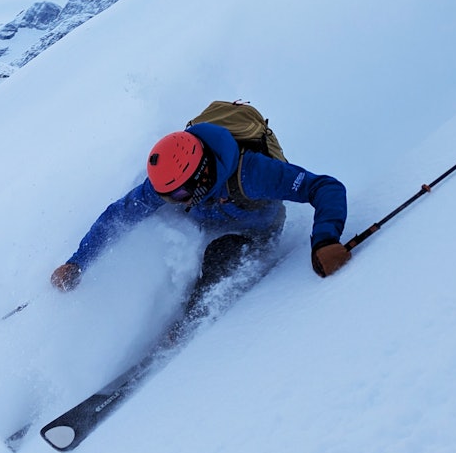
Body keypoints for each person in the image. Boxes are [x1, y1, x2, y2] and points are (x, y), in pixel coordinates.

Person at [50, 120, 351, 329]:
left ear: (202, 173)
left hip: (257, 230)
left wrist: (325, 239)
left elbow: (326, 187)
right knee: (157, 235)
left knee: (219, 254)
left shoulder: (255, 174)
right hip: (211, 221)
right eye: (166, 196)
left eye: (179, 193)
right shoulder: (174, 186)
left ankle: (186, 325)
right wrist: (78, 263)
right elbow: (119, 215)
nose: (175, 201)